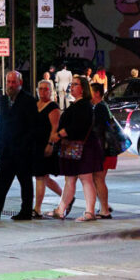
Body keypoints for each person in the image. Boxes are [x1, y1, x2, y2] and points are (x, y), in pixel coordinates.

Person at [0, 70, 36, 221]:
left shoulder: (28, 100)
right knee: (0, 181)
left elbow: (32, 126)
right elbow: (2, 122)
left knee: (25, 182)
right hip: (6, 149)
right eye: (8, 82)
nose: (10, 85)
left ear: (20, 83)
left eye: (13, 82)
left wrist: (26, 145)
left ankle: (26, 212)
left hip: (22, 150)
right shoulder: (4, 99)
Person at [49, 76, 101, 221]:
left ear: (83, 88)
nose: (71, 87)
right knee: (70, 180)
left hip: (82, 148)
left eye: (75, 85)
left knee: (85, 179)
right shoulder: (79, 104)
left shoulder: (83, 105)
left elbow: (77, 127)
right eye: (71, 84)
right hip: (75, 148)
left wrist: (59, 134)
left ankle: (90, 212)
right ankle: (61, 209)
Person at [32, 79, 63, 218]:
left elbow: (55, 128)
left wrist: (50, 145)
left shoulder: (53, 107)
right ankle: (67, 197)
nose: (43, 91)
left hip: (46, 145)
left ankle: (37, 209)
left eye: (46, 89)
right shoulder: (36, 104)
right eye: (41, 89)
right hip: (35, 145)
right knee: (43, 177)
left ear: (51, 91)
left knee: (40, 176)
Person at [89, 82, 116, 219]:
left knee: (98, 178)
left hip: (104, 149)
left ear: (97, 93)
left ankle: (104, 209)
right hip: (106, 148)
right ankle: (104, 206)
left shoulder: (99, 108)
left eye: (90, 91)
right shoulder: (102, 106)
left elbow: (99, 130)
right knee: (98, 179)